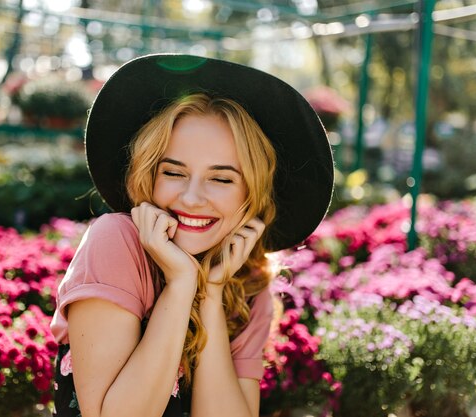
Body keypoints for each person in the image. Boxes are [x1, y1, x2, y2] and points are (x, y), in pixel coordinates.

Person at [50, 54, 334, 417]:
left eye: (221, 178)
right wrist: (181, 283)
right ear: (149, 174)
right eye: (174, 172)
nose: (191, 198)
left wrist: (212, 294)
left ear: (253, 193)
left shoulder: (248, 283)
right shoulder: (117, 242)